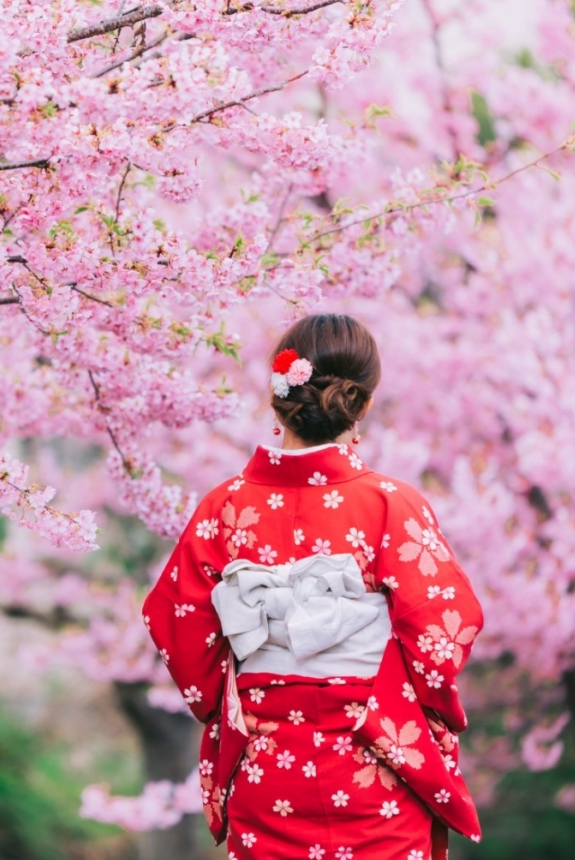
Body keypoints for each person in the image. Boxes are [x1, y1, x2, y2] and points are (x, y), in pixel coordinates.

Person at [143, 314, 485, 860]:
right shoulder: (390, 505)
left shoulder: (223, 508)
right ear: (363, 404)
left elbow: (176, 622)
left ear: (279, 400)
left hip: (268, 765)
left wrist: (240, 699)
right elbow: (443, 624)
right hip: (373, 760)